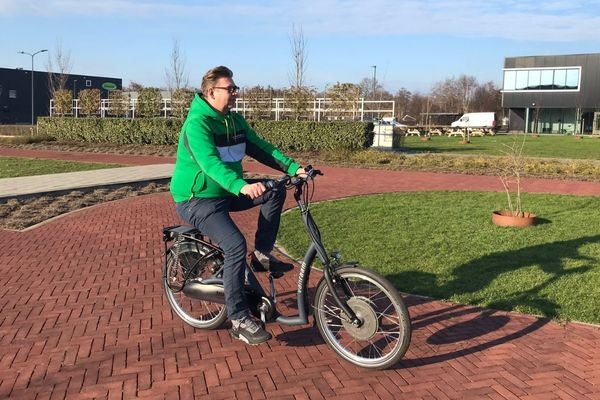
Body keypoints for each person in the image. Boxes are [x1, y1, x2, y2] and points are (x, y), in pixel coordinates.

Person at [170, 66, 305, 345]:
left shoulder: (235, 121)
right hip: (196, 199)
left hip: (226, 191)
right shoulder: (197, 124)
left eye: (235, 88)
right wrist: (240, 185)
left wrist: (295, 168)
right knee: (234, 245)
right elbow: (210, 164)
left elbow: (262, 148)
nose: (235, 93)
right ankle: (239, 318)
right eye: (229, 89)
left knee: (273, 190)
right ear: (211, 92)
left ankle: (262, 254)